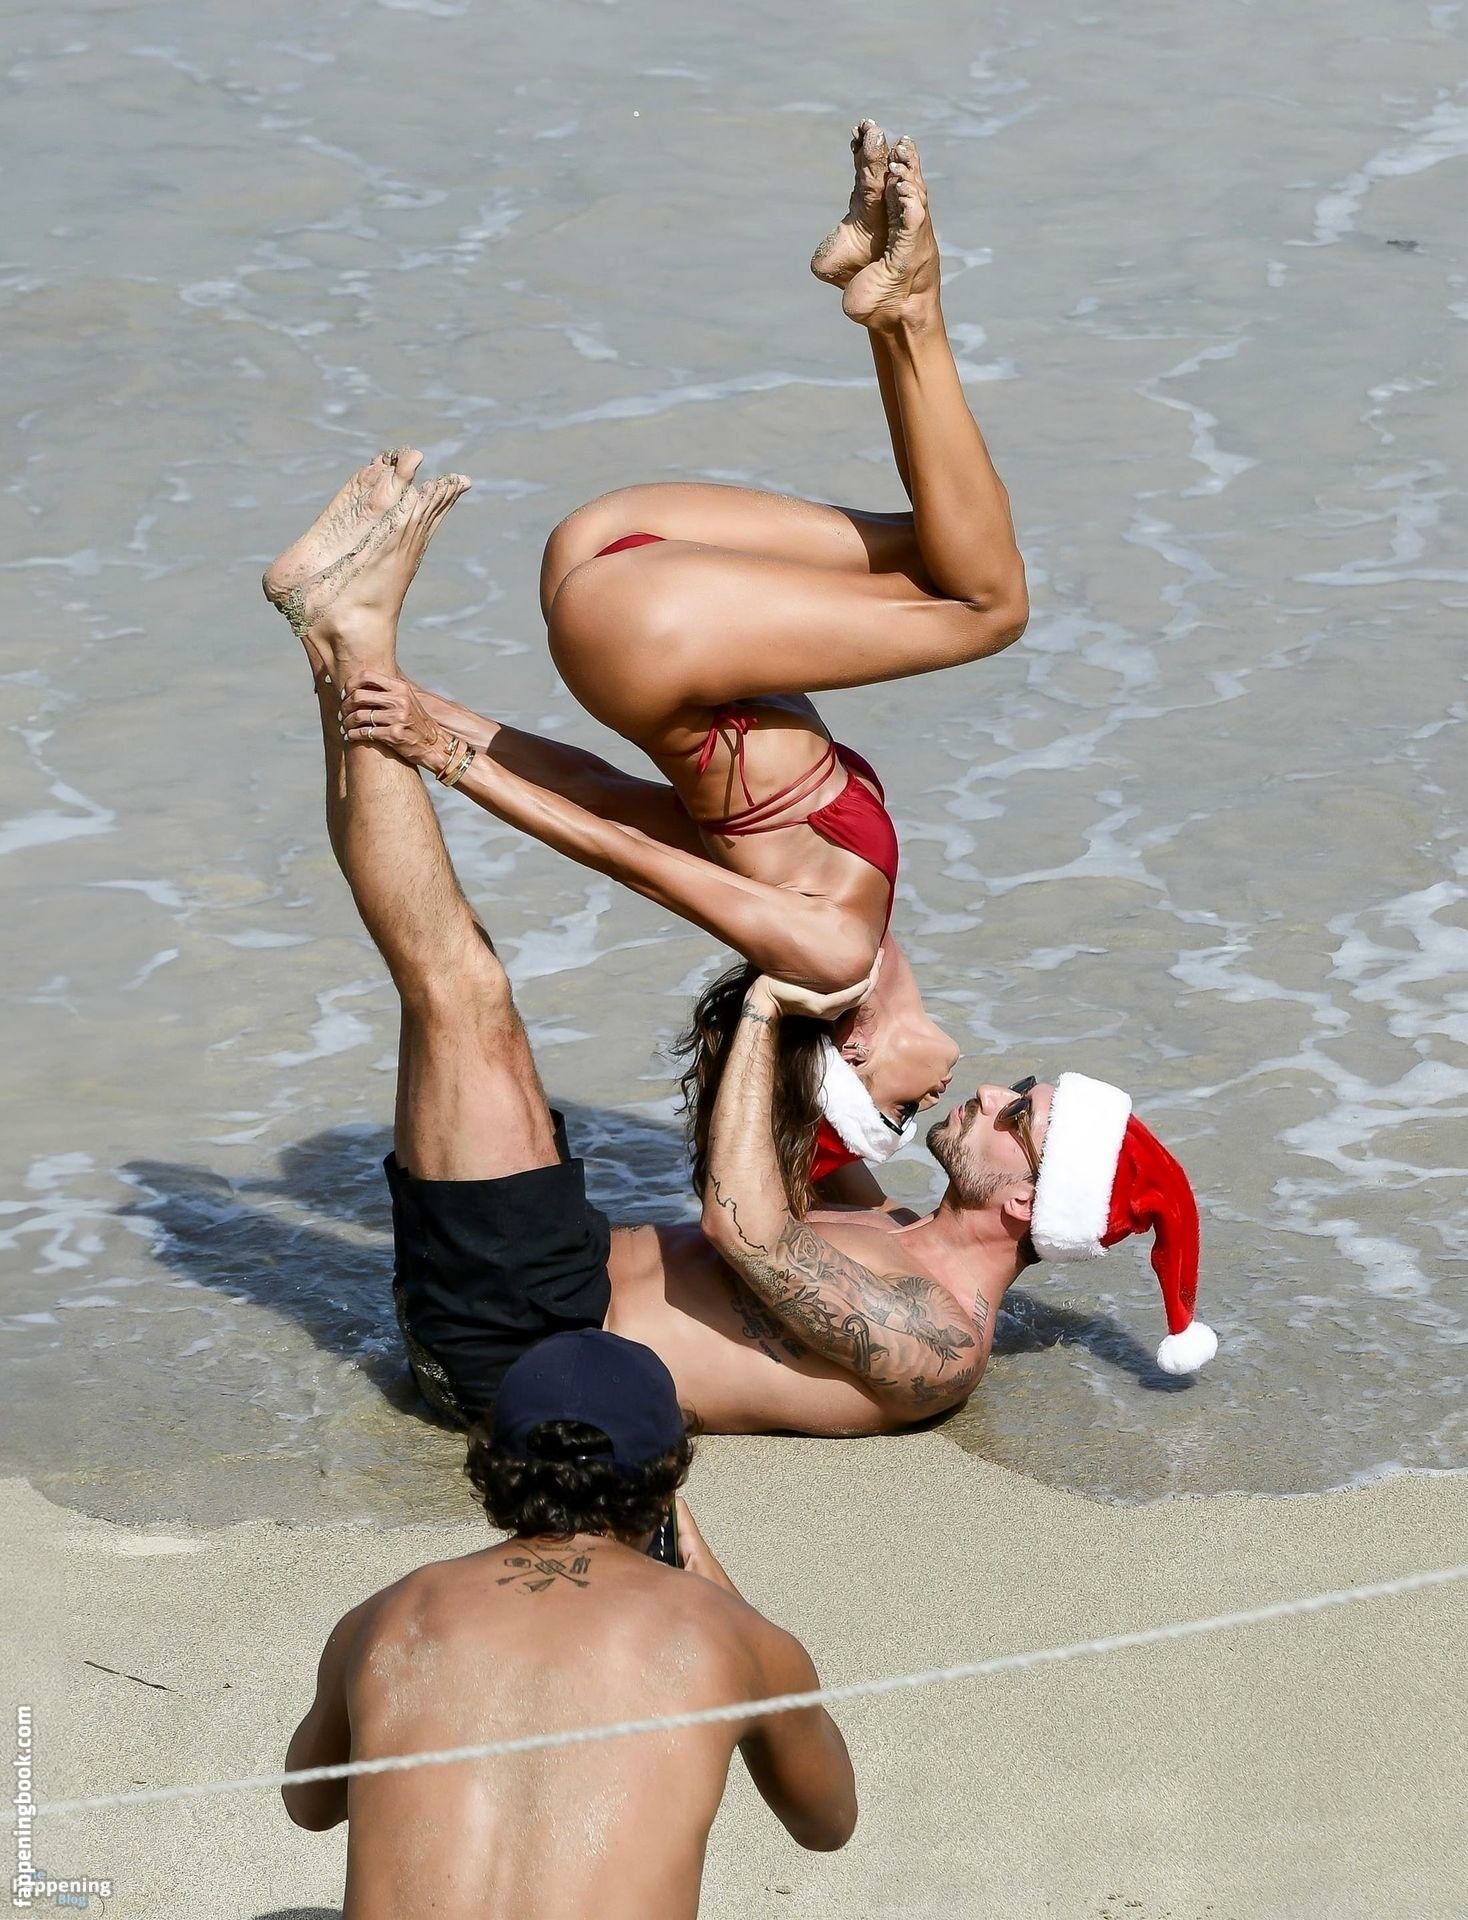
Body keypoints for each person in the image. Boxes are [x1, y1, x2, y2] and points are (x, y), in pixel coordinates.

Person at [260, 459, 1215, 1437]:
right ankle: (336, 639)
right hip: (552, 1273)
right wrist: (841, 988)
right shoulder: (885, 1225)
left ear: (1023, 1203)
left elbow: (744, 1228)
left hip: (524, 1348)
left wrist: (770, 1007)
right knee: (463, 982)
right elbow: (803, 1122)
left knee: (461, 985)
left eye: (1018, 1116)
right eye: (1021, 1089)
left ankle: (352, 632)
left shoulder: (939, 1344)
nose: (992, 1091)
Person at [328, 126, 1026, 1209]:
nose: (931, 1099)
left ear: (847, 1057)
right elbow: (606, 791)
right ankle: (885, 291)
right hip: (624, 583)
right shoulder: (822, 896)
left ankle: (911, 305)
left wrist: (437, 747)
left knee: (991, 608)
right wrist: (432, 711)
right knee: (951, 547)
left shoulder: (828, 956)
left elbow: (618, 847)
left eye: (895, 1113)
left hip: (651, 621)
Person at [282, 1329, 857, 1920]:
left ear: (494, 1467)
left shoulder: (387, 1617)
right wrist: (718, 1595)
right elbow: (828, 1821)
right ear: (666, 1481)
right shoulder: (724, 1633)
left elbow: (309, 1804)